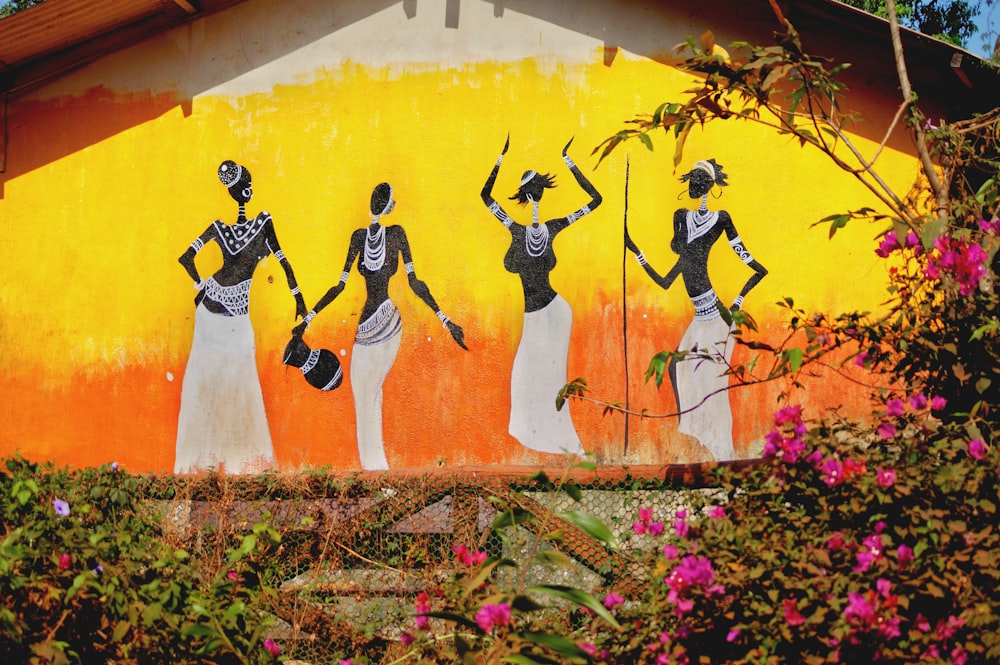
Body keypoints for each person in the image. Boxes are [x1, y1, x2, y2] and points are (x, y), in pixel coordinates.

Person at [293, 182, 466, 470]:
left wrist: (445, 319)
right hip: (367, 328)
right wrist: (308, 319)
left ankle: (376, 469)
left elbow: (414, 283)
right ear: (387, 205)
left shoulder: (395, 234)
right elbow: (340, 286)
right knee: (366, 395)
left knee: (367, 395)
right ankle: (377, 469)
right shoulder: (360, 238)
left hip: (386, 321)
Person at [625, 158, 767, 461]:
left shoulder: (721, 219)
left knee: (710, 385)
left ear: (704, 185)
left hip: (717, 316)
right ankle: (707, 444)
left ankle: (723, 454)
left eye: (695, 181)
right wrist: (637, 252)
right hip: (700, 316)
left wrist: (739, 301)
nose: (692, 186)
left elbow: (758, 269)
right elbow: (666, 279)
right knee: (681, 371)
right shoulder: (682, 220)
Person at [175, 160, 307, 473]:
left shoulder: (220, 228)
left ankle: (210, 466)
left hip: (210, 308)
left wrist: (201, 285)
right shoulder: (263, 224)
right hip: (231, 313)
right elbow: (284, 262)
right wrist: (299, 300)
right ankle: (235, 466)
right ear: (247, 189)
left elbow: (186, 257)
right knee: (236, 383)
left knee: (209, 383)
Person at [480, 136, 602, 454]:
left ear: (524, 194)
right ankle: (551, 442)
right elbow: (594, 200)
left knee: (547, 375)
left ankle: (563, 443)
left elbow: (485, 196)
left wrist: (500, 159)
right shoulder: (545, 227)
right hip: (544, 312)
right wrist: (568, 162)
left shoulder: (518, 229)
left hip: (551, 311)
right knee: (530, 376)